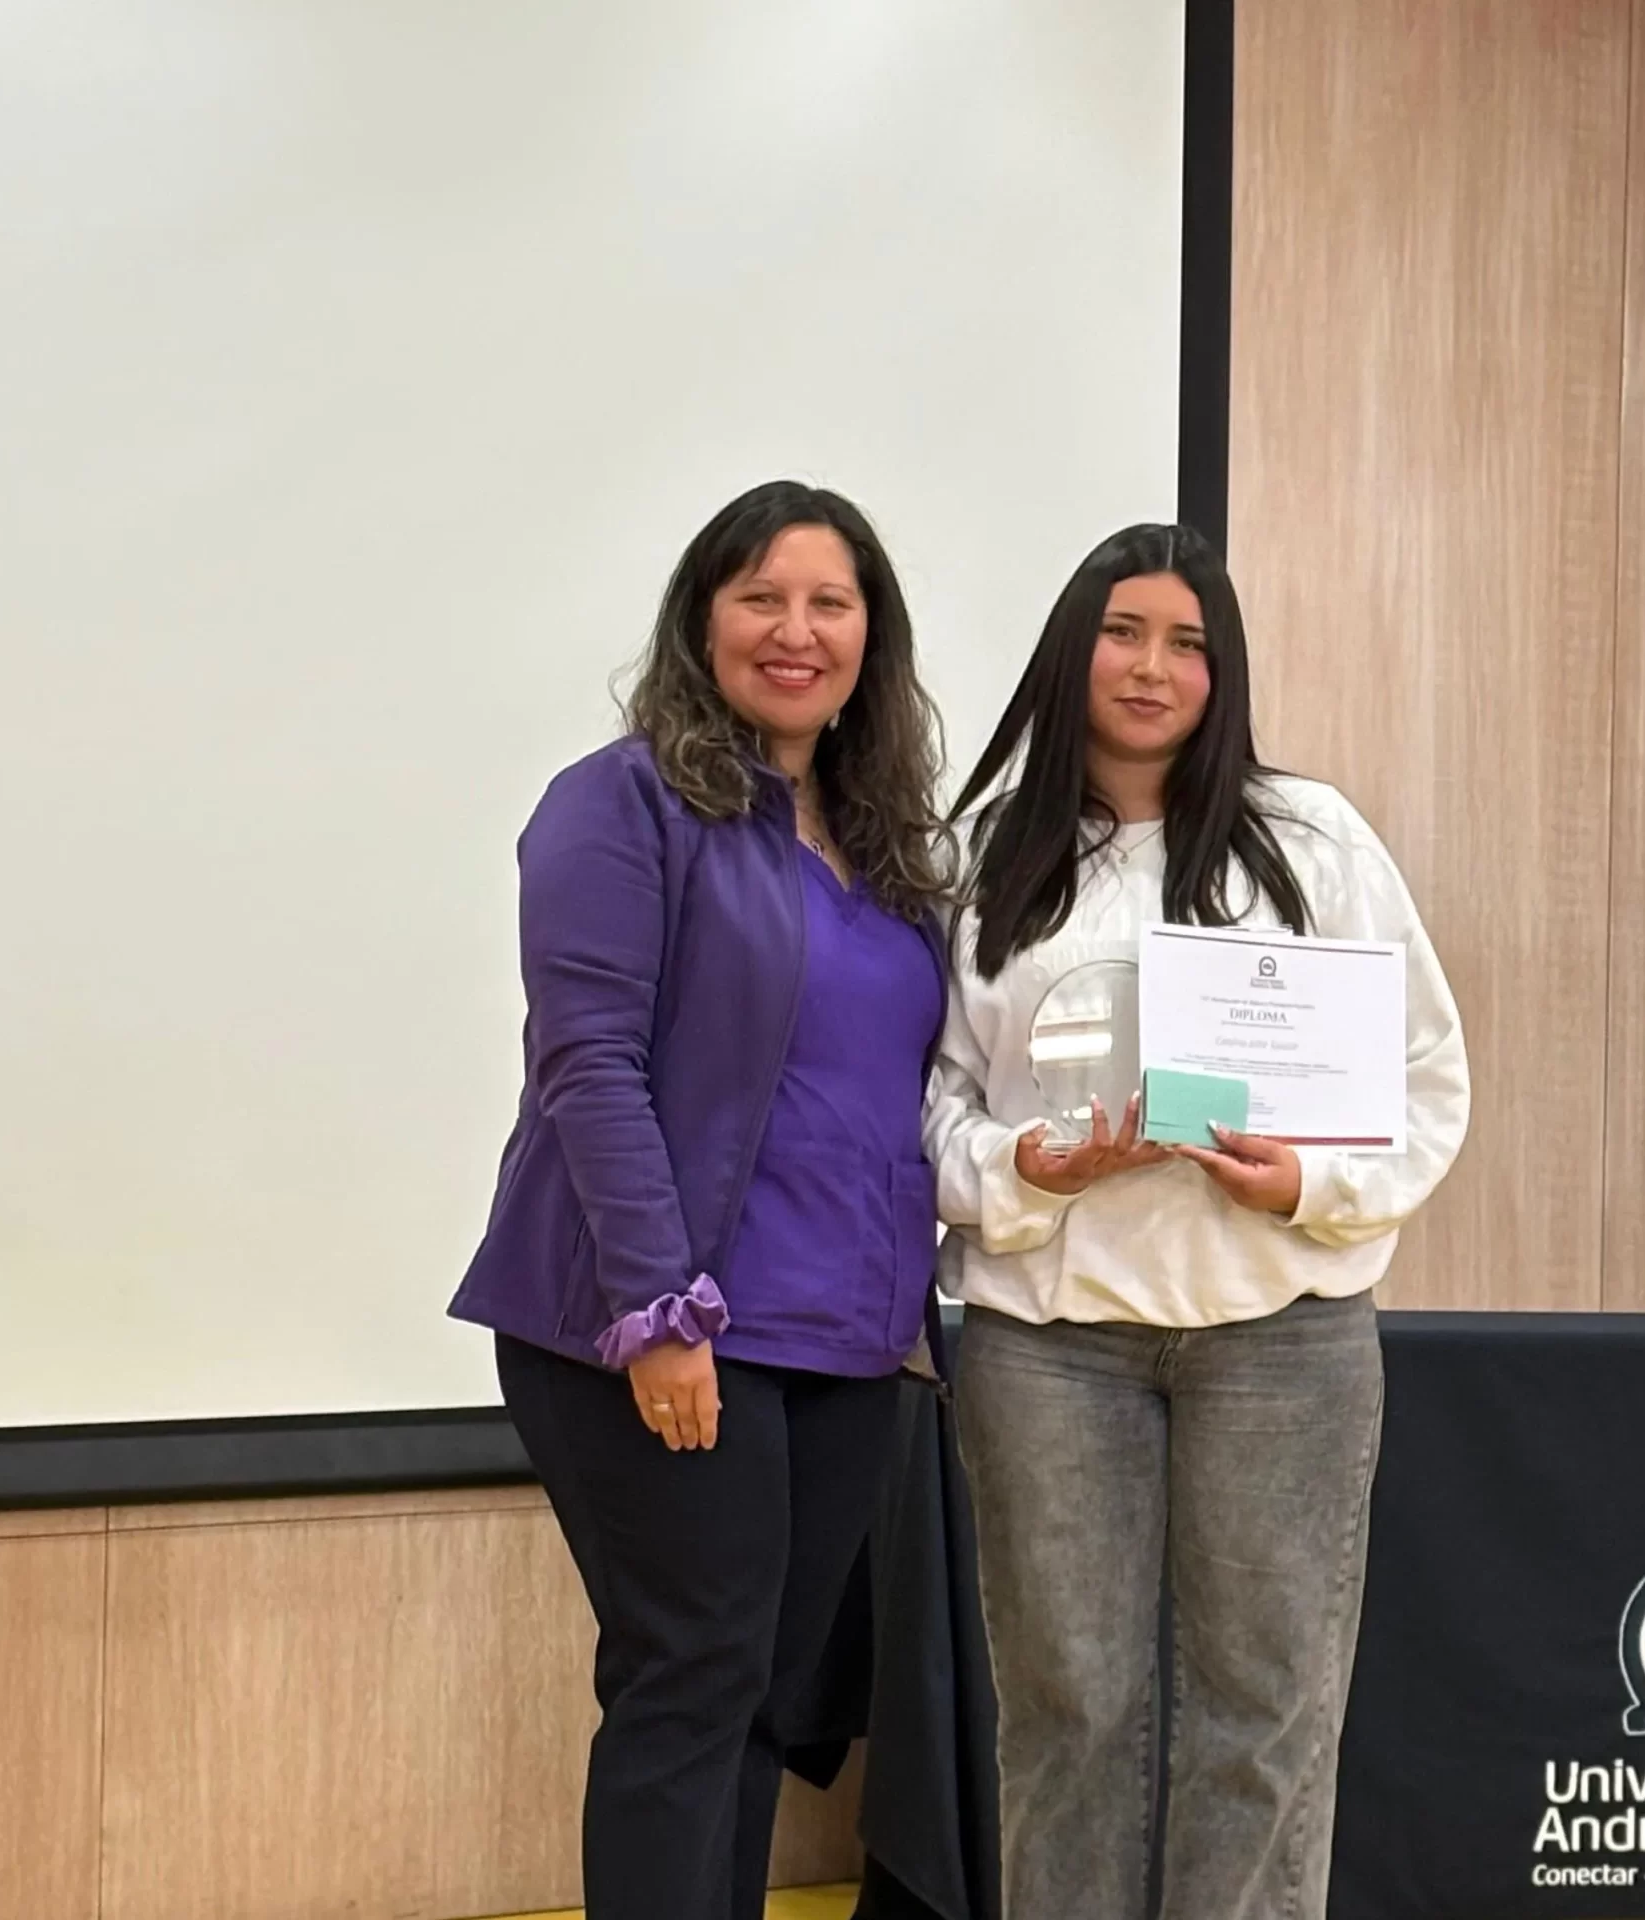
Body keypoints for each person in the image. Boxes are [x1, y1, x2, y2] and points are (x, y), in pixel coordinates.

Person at [924, 523, 1470, 1920]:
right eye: (1123, 632)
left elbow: (1427, 1082)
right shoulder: (981, 854)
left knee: (1266, 1720)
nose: (1152, 667)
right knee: (1070, 1716)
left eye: (1189, 643)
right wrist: (1023, 1170)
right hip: (1048, 1344)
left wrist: (1309, 1185)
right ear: (1072, 647)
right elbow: (924, 1099)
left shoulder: (1315, 839)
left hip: (1281, 1338)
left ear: (1224, 673)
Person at [447, 480, 950, 1920]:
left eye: (830, 603)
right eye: (760, 598)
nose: (796, 631)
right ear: (702, 620)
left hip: (841, 1349)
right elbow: (589, 1068)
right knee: (692, 1686)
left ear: (871, 636)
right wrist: (658, 1314)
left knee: (762, 1703)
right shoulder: (621, 804)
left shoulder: (886, 839)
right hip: (666, 1331)